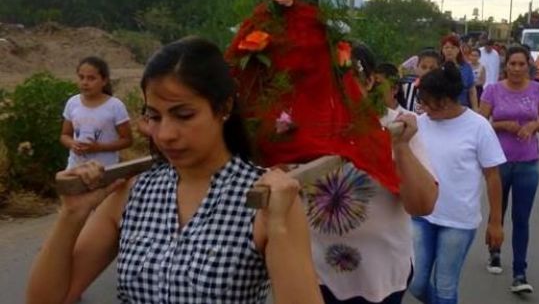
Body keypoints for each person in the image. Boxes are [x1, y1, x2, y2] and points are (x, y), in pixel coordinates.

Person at [28, 37, 324, 304]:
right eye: (154, 116)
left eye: (183, 115)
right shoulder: (133, 193)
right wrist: (71, 215)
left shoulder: (266, 200)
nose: (166, 134)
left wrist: (279, 229)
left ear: (224, 107)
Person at [307, 46, 438, 304]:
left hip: (380, 279)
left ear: (369, 81)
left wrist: (400, 148)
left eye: (345, 78)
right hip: (317, 275)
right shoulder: (304, 130)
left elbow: (422, 204)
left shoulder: (397, 126)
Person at [410, 63, 506, 304]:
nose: (424, 108)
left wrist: (496, 223)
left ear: (444, 100)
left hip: (458, 222)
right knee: (415, 283)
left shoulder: (478, 127)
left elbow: (493, 176)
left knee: (445, 287)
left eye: (428, 102)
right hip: (422, 217)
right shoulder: (419, 124)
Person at [479, 45, 539, 294]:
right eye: (513, 64)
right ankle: (494, 251)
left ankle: (520, 272)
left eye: (522, 64)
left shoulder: (538, 89)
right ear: (505, 66)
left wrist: (533, 126)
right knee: (497, 210)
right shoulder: (493, 90)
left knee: (521, 218)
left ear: (528, 66)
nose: (517, 69)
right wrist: (503, 125)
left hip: (528, 162)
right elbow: (481, 124)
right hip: (498, 162)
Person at [60, 57, 132, 169]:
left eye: (91, 78)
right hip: (75, 169)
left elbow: (127, 140)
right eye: (81, 77)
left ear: (104, 81)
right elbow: (65, 135)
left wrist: (99, 147)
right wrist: (72, 144)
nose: (85, 82)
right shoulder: (72, 103)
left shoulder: (115, 106)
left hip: (105, 170)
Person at [440, 34, 478, 109]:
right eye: (446, 47)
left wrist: (475, 109)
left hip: (462, 108)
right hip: (441, 109)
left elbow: (472, 91)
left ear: (458, 50)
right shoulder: (438, 67)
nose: (449, 50)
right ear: (442, 50)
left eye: (453, 47)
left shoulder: (466, 67)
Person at [398, 49, 441, 114]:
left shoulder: (443, 92)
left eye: (432, 68)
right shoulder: (406, 88)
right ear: (417, 68)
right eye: (424, 67)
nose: (427, 71)